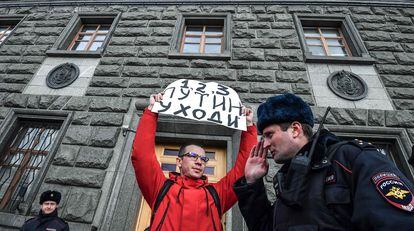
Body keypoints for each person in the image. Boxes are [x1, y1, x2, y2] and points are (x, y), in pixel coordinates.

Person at [233, 93, 414, 231]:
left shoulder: (351, 158)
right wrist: (251, 183)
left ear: (295, 129)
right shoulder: (288, 178)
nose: (264, 144)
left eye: (269, 135)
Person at [131, 93, 257, 231]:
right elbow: (142, 156)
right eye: (193, 156)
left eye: (203, 159)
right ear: (179, 161)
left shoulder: (217, 193)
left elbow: (243, 170)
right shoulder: (161, 188)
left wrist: (248, 126)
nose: (199, 162)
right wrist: (151, 112)